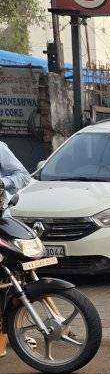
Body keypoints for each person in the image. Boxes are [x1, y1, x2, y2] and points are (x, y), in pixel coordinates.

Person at [0, 142, 33, 358]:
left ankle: (17, 329)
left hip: (3, 222)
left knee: (16, 277)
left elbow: (23, 175)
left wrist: (2, 182)